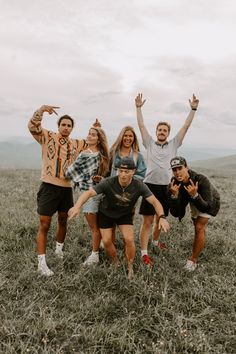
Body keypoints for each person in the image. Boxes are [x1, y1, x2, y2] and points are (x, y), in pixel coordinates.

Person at [68, 157, 170, 279]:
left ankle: (130, 267)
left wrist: (162, 217)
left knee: (129, 239)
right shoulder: (109, 182)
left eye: (126, 171)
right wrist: (77, 206)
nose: (122, 174)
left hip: (124, 215)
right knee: (106, 241)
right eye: (120, 171)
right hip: (106, 213)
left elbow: (154, 202)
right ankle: (115, 263)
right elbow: (89, 193)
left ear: (133, 171)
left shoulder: (139, 185)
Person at [28, 104, 100, 276]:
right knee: (44, 224)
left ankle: (59, 251)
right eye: (63, 124)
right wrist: (41, 111)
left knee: (63, 220)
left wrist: (96, 129)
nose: (66, 127)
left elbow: (91, 142)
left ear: (72, 128)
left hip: (66, 188)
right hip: (48, 186)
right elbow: (32, 126)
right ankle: (41, 263)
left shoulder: (76, 143)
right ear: (58, 126)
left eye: (69, 125)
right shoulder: (47, 136)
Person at [135, 93, 199, 266]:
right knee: (147, 221)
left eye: (165, 130)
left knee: (160, 218)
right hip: (149, 186)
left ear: (168, 133)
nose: (162, 132)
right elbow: (141, 125)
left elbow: (186, 126)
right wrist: (138, 108)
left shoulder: (174, 144)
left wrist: (192, 110)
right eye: (160, 130)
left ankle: (155, 242)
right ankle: (144, 253)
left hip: (167, 187)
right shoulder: (149, 142)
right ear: (156, 132)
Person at [66, 126, 109, 266]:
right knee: (98, 225)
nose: (89, 136)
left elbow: (69, 173)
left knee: (94, 227)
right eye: (89, 134)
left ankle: (94, 255)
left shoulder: (85, 154)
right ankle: (101, 246)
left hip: (88, 194)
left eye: (93, 135)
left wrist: (77, 171)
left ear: (98, 139)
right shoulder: (102, 155)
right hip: (99, 192)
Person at [167, 156, 220, 271]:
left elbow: (207, 207)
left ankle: (193, 260)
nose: (177, 172)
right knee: (198, 227)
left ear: (186, 167)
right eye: (174, 170)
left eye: (180, 168)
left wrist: (195, 195)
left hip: (208, 201)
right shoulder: (173, 184)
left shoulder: (201, 179)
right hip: (194, 200)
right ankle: (200, 244)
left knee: (199, 227)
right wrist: (174, 196)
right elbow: (176, 213)